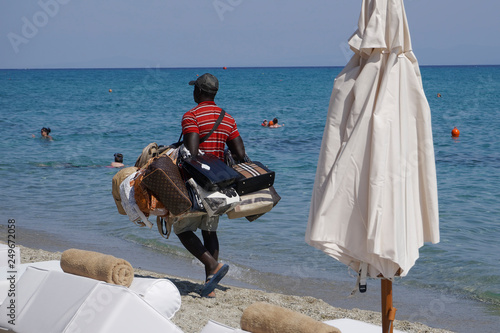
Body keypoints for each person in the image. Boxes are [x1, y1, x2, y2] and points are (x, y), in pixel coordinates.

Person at [178, 73, 246, 297]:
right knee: (209, 230)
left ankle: (212, 265)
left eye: (194, 89)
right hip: (220, 183)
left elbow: (192, 152)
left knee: (182, 229)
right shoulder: (228, 119)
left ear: (198, 91)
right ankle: (210, 286)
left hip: (197, 184)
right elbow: (240, 154)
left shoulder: (191, 116)